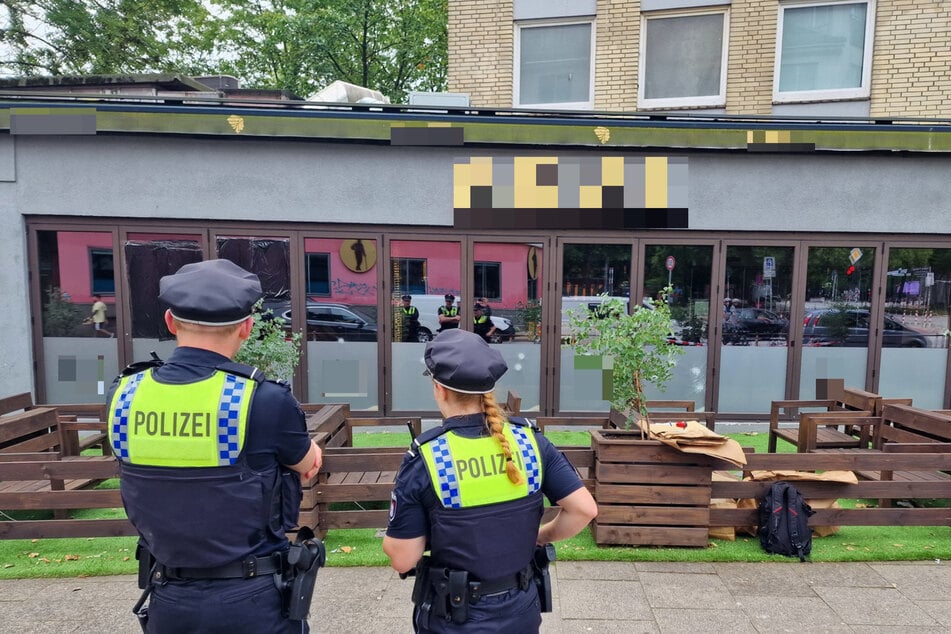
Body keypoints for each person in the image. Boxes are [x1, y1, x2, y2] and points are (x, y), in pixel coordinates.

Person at [106, 259, 323, 634]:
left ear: (171, 322)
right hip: (252, 600)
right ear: (246, 328)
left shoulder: (124, 395)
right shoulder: (262, 400)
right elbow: (307, 464)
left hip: (167, 597)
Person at [382, 329, 597, 633]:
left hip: (455, 619)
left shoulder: (429, 458)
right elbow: (584, 509)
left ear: (439, 389)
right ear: (489, 389)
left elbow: (403, 559)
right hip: (522, 610)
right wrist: (541, 536)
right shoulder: (530, 442)